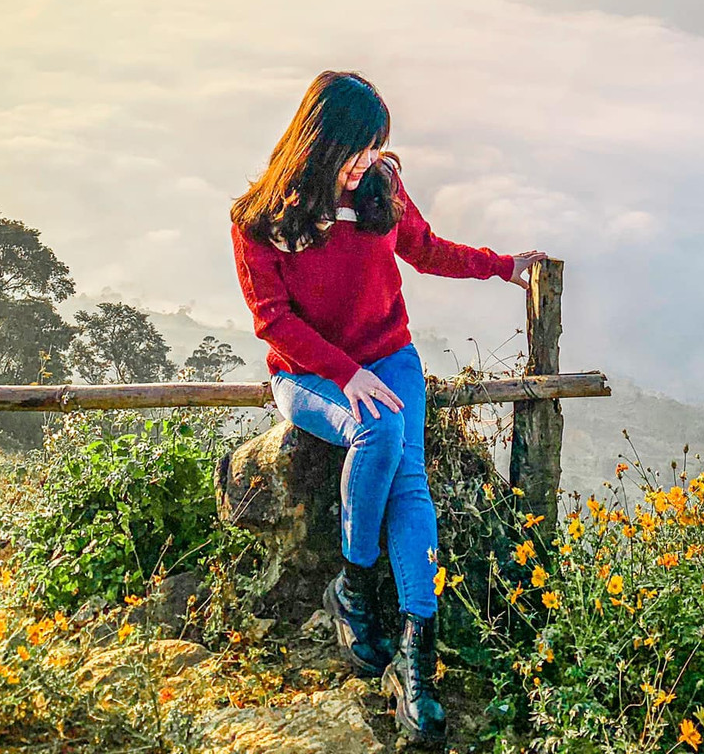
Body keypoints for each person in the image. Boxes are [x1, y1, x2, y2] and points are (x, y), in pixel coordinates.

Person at [230, 69, 547, 746]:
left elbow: (424, 249)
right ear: (319, 141)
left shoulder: (381, 187)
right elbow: (273, 321)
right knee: (377, 433)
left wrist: (502, 266)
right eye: (358, 149)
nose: (368, 161)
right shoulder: (259, 221)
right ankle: (351, 586)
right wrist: (346, 375)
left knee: (410, 482)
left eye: (376, 148)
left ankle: (416, 654)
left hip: (389, 355)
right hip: (309, 372)